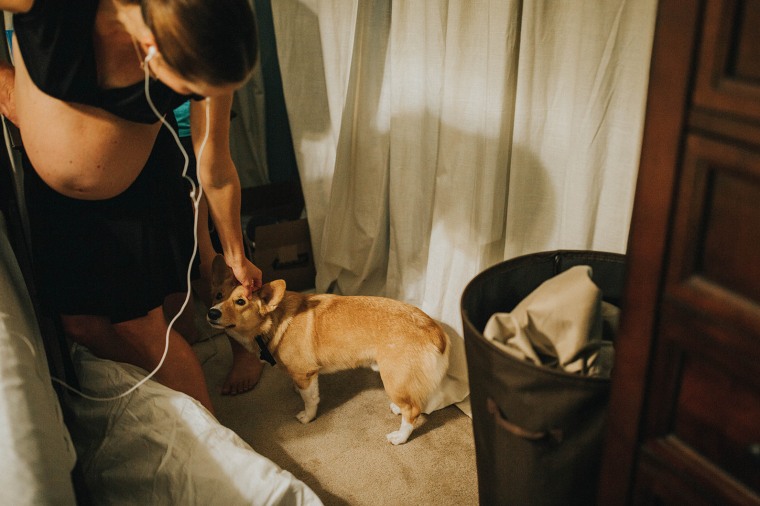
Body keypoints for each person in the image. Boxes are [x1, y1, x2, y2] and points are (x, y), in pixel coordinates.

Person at [0, 0, 264, 414]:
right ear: (152, 46)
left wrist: (235, 254)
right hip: (52, 194)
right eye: (185, 88)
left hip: (136, 184)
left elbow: (215, 166)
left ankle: (213, 444)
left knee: (143, 326)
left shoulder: (202, 38)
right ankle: (159, 408)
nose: (188, 96)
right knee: (81, 325)